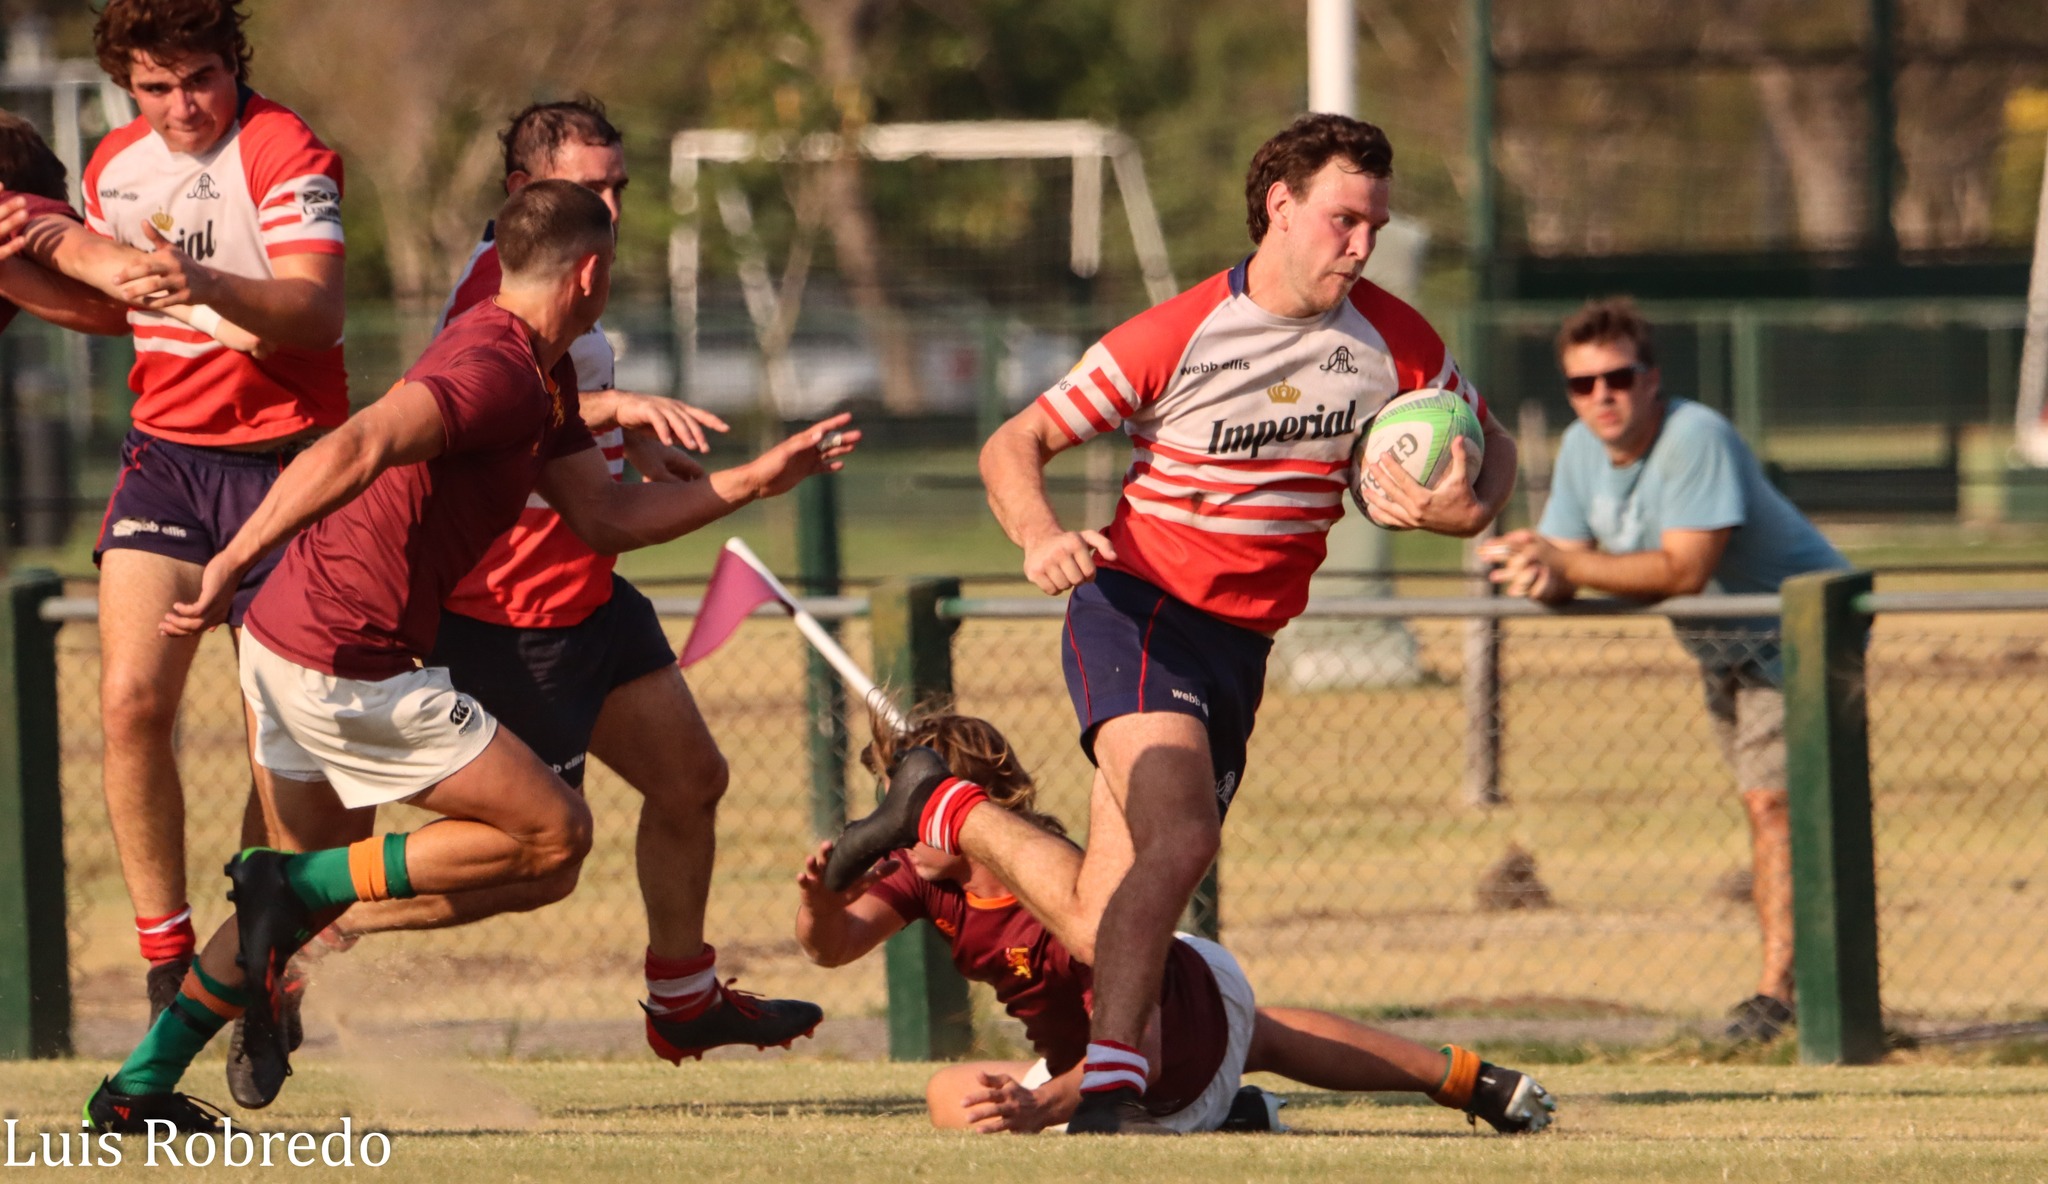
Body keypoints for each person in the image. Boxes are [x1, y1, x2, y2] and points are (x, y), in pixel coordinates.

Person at [82, 179, 860, 1133]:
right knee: (555, 834)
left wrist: (755, 480)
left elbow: (605, 515)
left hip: (293, 645)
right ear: (592, 273)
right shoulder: (494, 366)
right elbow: (360, 441)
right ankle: (299, 891)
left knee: (448, 877)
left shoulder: (544, 369)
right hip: (342, 655)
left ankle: (137, 1089)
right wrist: (231, 563)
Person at [825, 113, 1518, 1133]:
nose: (1361, 244)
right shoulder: (1177, 333)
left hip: (1239, 646)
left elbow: (1489, 443)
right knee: (1183, 831)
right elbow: (1013, 443)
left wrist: (1470, 503)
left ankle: (947, 812)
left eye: (1374, 224)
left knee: (1100, 919)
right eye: (1341, 220)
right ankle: (1111, 1079)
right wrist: (1036, 534)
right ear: (1277, 208)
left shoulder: (1392, 339)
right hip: (1138, 605)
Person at [261, 98, 817, 1098]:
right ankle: (304, 927)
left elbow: (564, 436)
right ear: (522, 192)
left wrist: (622, 431)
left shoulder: (573, 274)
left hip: (587, 584)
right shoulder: (498, 286)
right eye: (588, 185)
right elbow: (469, 389)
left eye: (618, 184)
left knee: (691, 776)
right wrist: (613, 407)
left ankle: (683, 996)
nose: (610, 201)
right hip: (510, 607)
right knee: (534, 863)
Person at [799, 715, 1555, 1135]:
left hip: (1166, 1043)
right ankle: (1237, 1114)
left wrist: (1041, 1108)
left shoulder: (1068, 899)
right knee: (949, 1099)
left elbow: (1144, 1053)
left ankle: (1464, 1078)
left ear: (980, 812)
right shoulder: (924, 877)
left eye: (915, 810)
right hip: (1098, 1061)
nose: (897, 830)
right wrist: (819, 901)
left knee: (1251, 1037)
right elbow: (831, 949)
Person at [47, 0, 356, 1024]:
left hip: (291, 473)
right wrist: (34, 249)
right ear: (125, 83)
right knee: (131, 701)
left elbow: (318, 309)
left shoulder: (284, 148)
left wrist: (207, 278)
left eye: (203, 79)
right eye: (156, 86)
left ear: (235, 63)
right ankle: (164, 961)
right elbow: (116, 303)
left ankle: (257, 955)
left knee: (285, 743)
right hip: (169, 466)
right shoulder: (111, 168)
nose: (183, 106)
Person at [1480, 297, 1849, 1043]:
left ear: (1652, 379)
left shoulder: (1694, 437)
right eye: (1583, 385)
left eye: (1618, 378)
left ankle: (1783, 999)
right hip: (1724, 652)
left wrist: (1563, 561)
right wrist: (1528, 569)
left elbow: (1686, 567)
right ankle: (1810, 994)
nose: (1602, 397)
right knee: (1774, 813)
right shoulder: (1584, 452)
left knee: (1777, 811)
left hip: (1804, 639)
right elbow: (1567, 568)